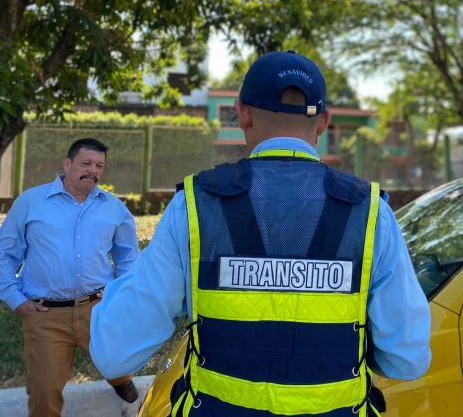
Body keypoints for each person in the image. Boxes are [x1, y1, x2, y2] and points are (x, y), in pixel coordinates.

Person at [90, 50, 432, 416]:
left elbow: (115, 354)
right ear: (324, 123)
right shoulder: (370, 212)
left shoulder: (194, 205)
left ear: (242, 113)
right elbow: (407, 360)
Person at [0, 138, 141, 416]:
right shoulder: (31, 202)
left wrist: (118, 292)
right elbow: (5, 254)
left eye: (99, 165)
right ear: (67, 163)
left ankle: (120, 379)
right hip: (45, 315)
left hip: (97, 310)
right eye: (86, 163)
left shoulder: (113, 207)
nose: (93, 170)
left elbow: (128, 257)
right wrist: (15, 299)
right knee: (44, 393)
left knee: (116, 361)